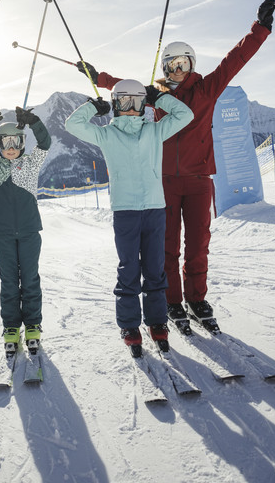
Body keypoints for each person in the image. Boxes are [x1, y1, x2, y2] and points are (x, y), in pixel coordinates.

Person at [77, 0, 275, 331]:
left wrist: (260, 28)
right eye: (172, 64)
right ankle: (172, 301)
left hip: (199, 179)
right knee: (167, 246)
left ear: (192, 64)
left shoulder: (207, 89)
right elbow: (124, 88)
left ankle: (197, 298)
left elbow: (234, 61)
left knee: (198, 243)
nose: (178, 70)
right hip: (164, 181)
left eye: (184, 63)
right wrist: (99, 78)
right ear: (165, 67)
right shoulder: (152, 94)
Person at [65, 78, 194, 354]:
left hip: (155, 210)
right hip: (125, 212)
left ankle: (157, 322)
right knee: (129, 269)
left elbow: (186, 115)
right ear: (115, 105)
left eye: (137, 102)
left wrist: (159, 98)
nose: (132, 108)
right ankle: (129, 324)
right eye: (125, 102)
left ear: (144, 105)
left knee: (155, 268)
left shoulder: (155, 131)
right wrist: (92, 107)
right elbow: (72, 125)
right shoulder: (107, 135)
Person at [0, 106, 51, 354]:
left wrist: (34, 121)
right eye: (5, 142)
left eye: (16, 141)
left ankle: (33, 324)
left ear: (23, 143)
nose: (11, 146)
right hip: (3, 235)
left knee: (30, 279)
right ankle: (11, 327)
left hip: (29, 233)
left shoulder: (30, 164)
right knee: (9, 282)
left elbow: (45, 143)